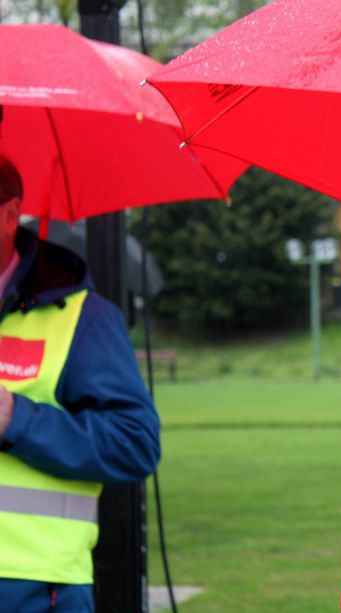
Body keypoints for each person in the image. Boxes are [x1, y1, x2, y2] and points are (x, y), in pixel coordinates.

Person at [0, 155, 160, 612]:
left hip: (33, 588)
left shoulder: (84, 320)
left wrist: (15, 419)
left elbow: (135, 445)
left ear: (12, 214)